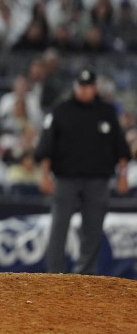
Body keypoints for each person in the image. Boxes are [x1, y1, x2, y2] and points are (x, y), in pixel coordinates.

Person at [36, 68, 131, 275]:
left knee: (94, 228)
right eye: (82, 86)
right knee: (59, 226)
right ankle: (54, 273)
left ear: (95, 88)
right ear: (75, 86)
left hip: (98, 180)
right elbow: (46, 147)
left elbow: (121, 147)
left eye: (89, 86)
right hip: (66, 178)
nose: (85, 90)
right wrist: (44, 175)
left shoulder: (106, 112)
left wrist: (123, 176)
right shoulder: (61, 110)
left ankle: (86, 274)